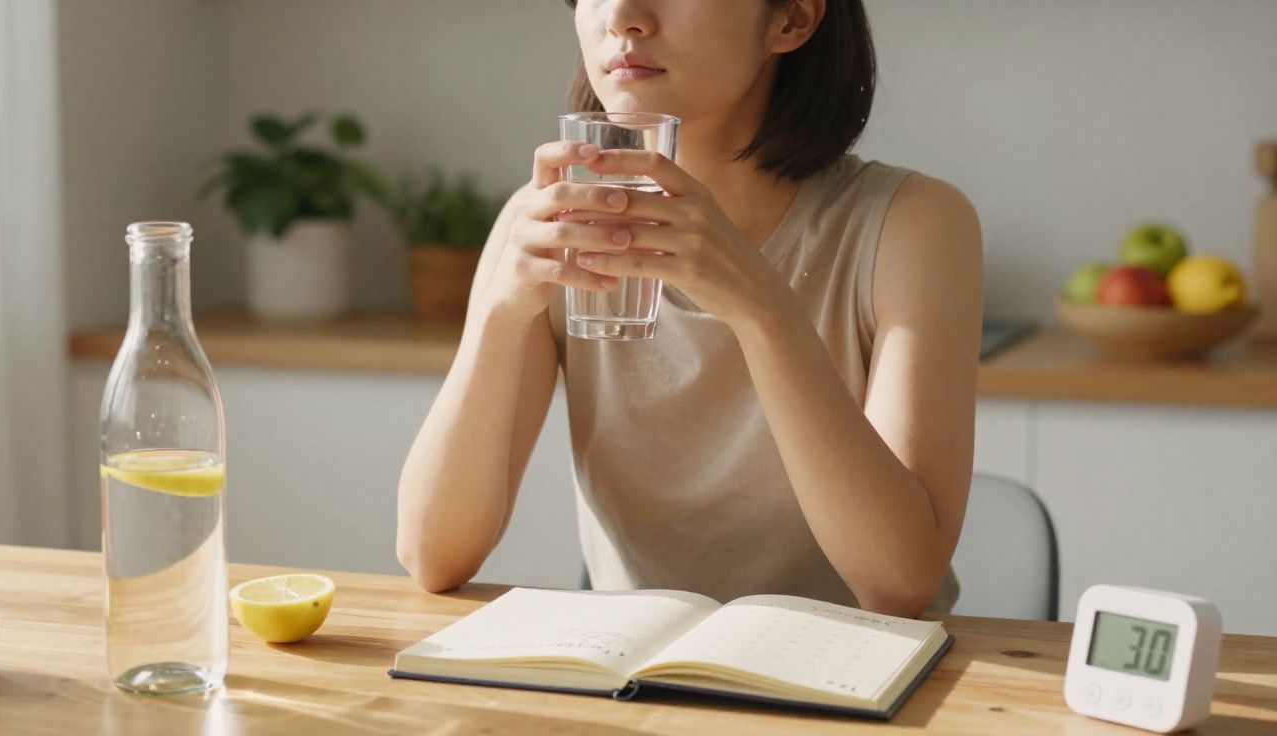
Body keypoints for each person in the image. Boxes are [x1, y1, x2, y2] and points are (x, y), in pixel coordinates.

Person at [396, 0, 983, 618]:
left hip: (859, 688)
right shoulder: (542, 223)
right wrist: (500, 314)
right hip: (638, 687)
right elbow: (433, 555)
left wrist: (760, 309)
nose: (622, 15)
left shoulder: (915, 224)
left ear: (793, 19)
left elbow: (898, 586)